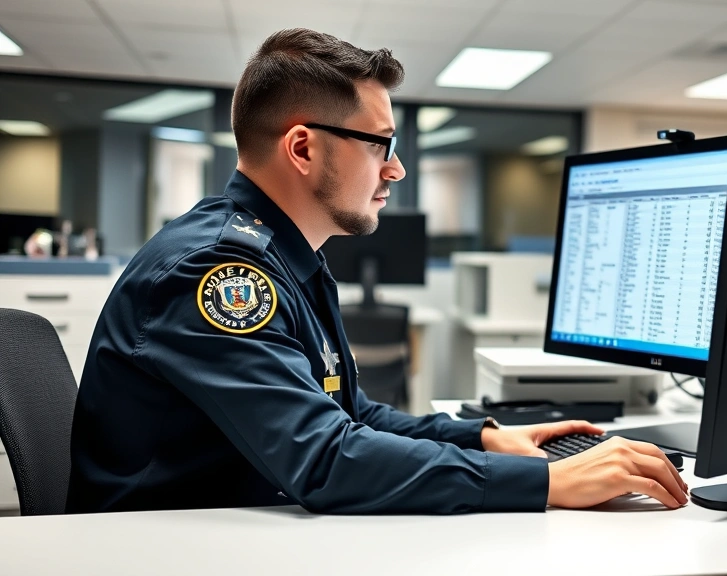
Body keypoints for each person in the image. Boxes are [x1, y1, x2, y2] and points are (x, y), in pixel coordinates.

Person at [66, 28, 688, 515]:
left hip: (234, 522)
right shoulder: (218, 271)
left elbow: (349, 415)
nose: (396, 170)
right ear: (303, 148)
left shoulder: (284, 257)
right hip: (158, 549)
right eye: (380, 145)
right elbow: (327, 460)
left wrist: (482, 438)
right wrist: (548, 480)